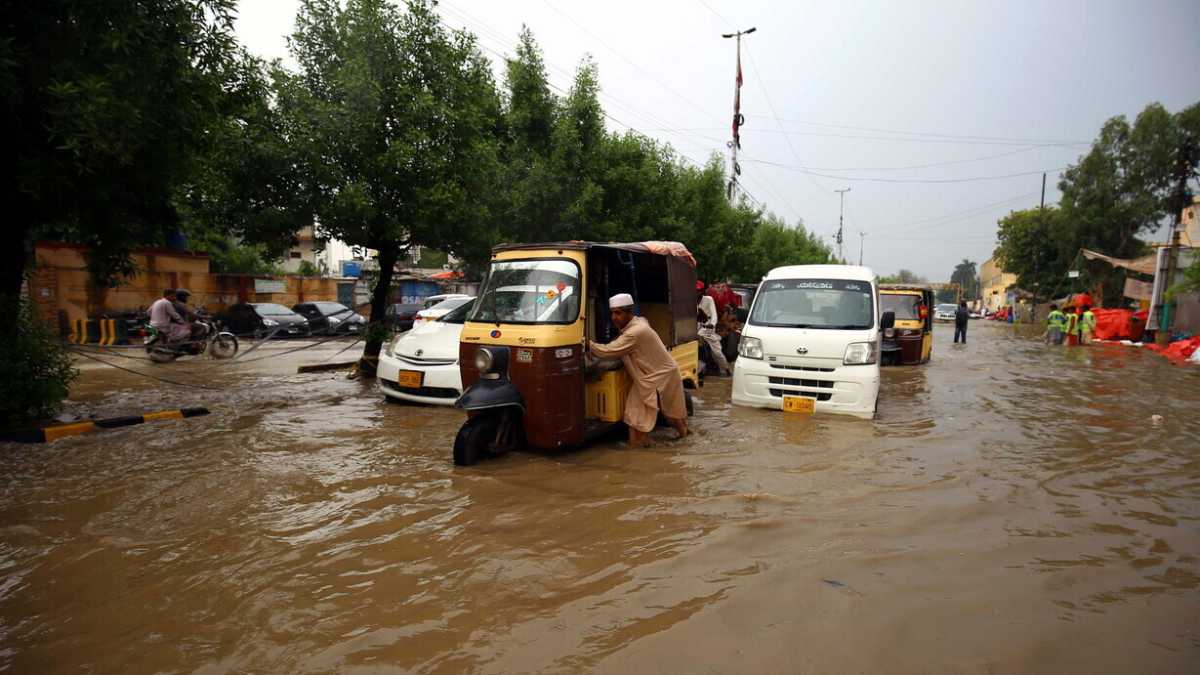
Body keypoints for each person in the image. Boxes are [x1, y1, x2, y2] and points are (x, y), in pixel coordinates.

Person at [588, 293, 688, 448]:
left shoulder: (635, 332)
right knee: (636, 417)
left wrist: (588, 345)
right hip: (650, 376)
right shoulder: (640, 321)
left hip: (661, 375)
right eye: (612, 313)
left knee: (670, 415)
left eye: (618, 313)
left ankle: (681, 440)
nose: (614, 317)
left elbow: (607, 351)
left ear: (630, 312)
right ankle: (642, 445)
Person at [696, 281, 731, 376]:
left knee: (717, 352)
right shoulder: (690, 300)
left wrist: (712, 324)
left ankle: (725, 368)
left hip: (707, 328)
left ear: (703, 292)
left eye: (698, 291)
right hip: (695, 328)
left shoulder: (708, 299)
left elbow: (713, 314)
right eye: (695, 291)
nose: (696, 293)